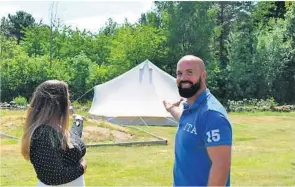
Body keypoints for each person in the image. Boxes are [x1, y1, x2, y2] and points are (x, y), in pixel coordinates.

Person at [163, 55, 232, 186]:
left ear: (203, 75)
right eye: (179, 73)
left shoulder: (211, 114)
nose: (183, 78)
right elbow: (188, 124)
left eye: (190, 72)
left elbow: (221, 166)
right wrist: (171, 109)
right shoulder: (191, 108)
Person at [21, 80, 87, 186]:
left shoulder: (56, 129)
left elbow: (74, 138)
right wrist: (83, 166)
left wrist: (78, 121)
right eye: (68, 98)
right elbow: (54, 177)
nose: (69, 103)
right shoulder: (42, 134)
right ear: (60, 103)